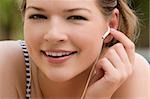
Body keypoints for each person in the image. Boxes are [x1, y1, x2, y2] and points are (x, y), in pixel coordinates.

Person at [0, 0, 149, 99]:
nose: (53, 35)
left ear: (111, 24)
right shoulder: (6, 65)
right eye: (38, 16)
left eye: (76, 17)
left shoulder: (132, 77)